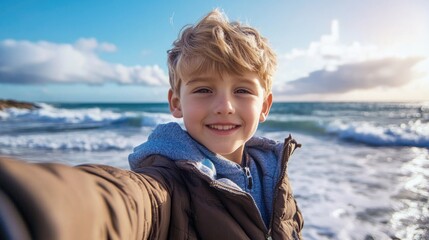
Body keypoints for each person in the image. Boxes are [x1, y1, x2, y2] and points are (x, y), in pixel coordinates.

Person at [0, 9, 303, 240]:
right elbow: (127, 201)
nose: (224, 106)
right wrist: (30, 202)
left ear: (264, 105)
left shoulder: (274, 174)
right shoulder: (169, 179)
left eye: (242, 90)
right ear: (176, 103)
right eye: (203, 89)